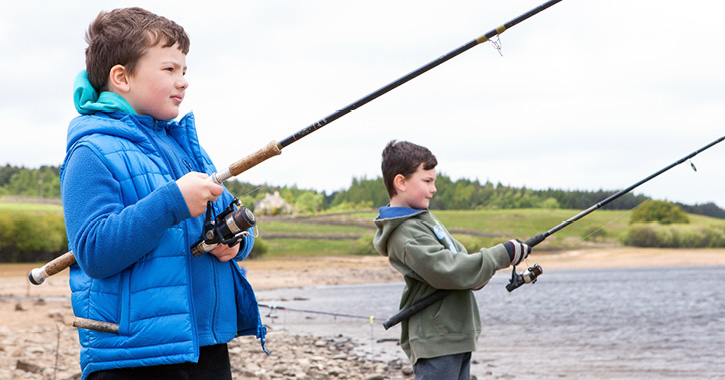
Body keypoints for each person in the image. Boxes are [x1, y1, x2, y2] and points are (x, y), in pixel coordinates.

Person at [60, 7, 266, 379]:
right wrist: (172, 201)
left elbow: (232, 218)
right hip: (135, 357)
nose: (183, 81)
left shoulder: (189, 149)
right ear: (121, 77)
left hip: (207, 345)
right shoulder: (90, 152)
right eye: (169, 69)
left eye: (184, 70)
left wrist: (236, 243)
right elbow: (93, 251)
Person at [373, 140, 531, 380]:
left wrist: (478, 272)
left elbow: (461, 260)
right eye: (427, 181)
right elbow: (448, 270)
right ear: (401, 182)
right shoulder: (404, 234)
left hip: (455, 333)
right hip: (437, 339)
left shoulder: (424, 219)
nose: (434, 188)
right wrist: (502, 254)